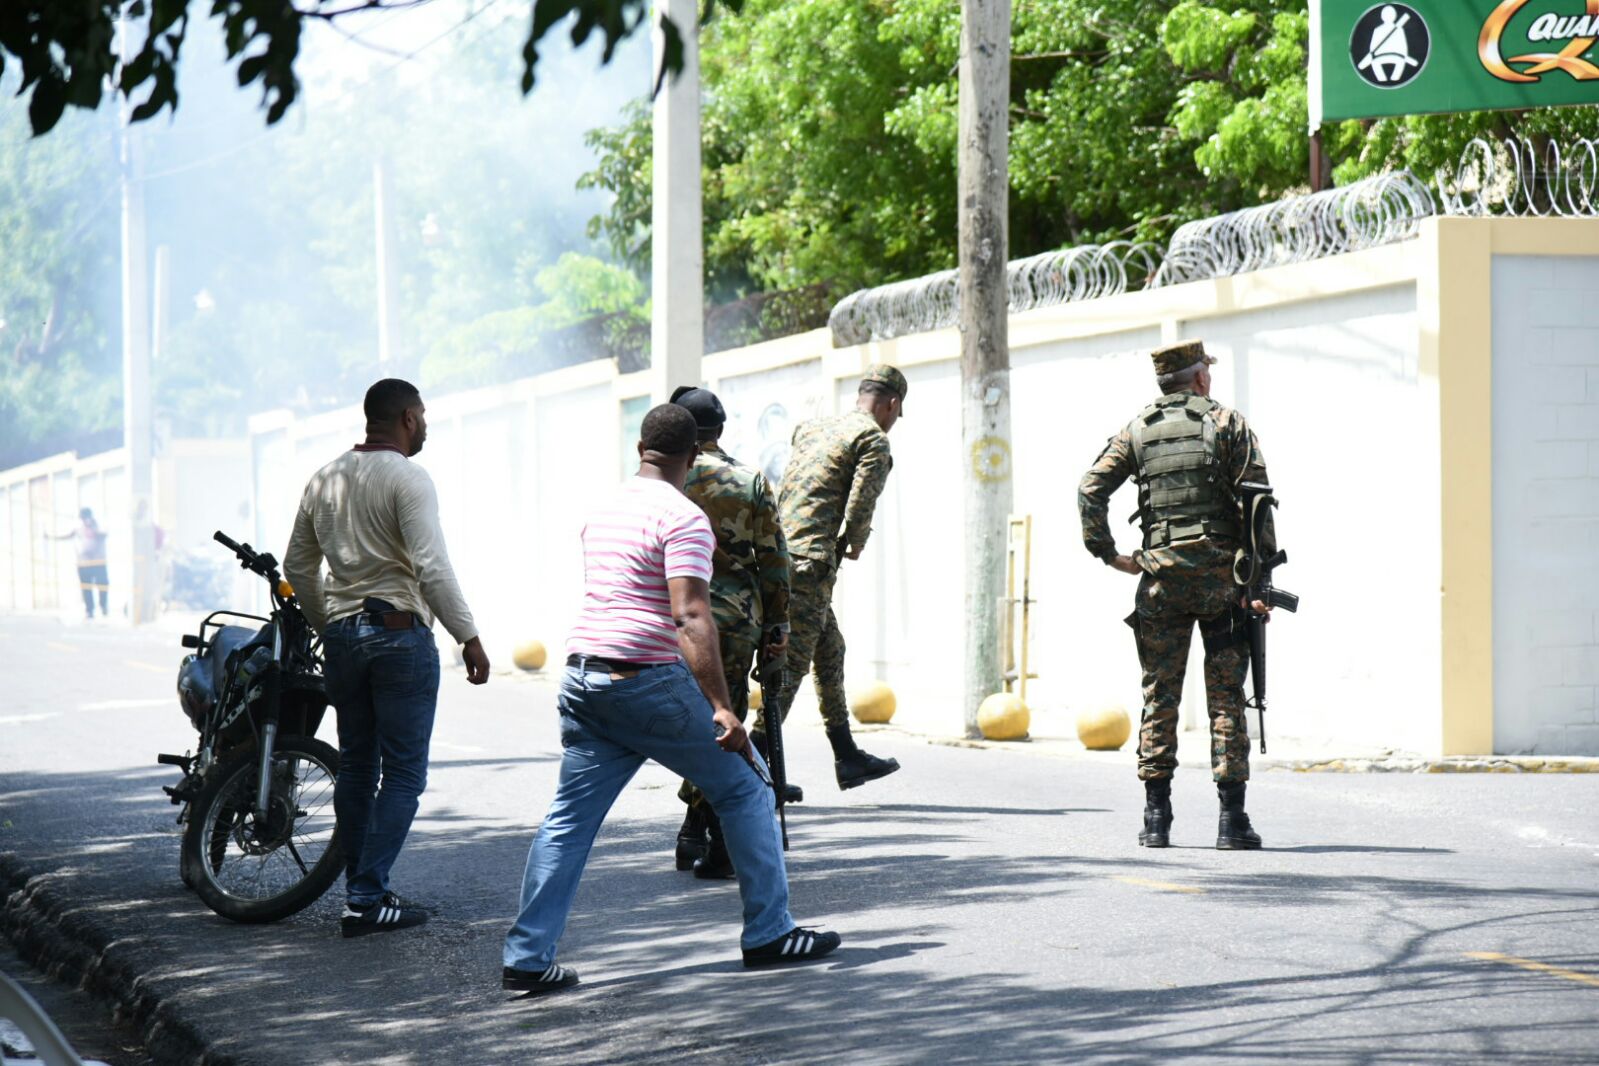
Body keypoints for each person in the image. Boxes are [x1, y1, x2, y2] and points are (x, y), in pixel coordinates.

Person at [501, 404, 839, 996]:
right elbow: (687, 614)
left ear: (640, 447)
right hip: (644, 680)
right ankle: (769, 932)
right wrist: (723, 706)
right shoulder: (684, 517)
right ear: (695, 456)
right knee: (747, 785)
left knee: (568, 821)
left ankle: (528, 956)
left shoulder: (603, 509)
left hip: (583, 679)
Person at [283, 378, 491, 937]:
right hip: (400, 638)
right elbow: (431, 565)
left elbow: (298, 568)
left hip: (346, 640)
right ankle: (367, 897)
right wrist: (467, 635)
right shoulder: (407, 477)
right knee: (401, 774)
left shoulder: (323, 478)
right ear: (405, 417)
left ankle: (361, 890)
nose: (425, 424)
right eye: (421, 415)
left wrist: (333, 626)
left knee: (356, 766)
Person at [1077, 340, 1275, 851]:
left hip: (1160, 582)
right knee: (1227, 698)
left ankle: (1156, 820)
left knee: (1158, 696)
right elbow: (1256, 504)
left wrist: (1109, 553)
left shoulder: (1137, 431)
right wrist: (1260, 584)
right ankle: (1232, 822)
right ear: (1200, 379)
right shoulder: (1228, 424)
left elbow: (1090, 488)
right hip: (1222, 584)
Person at [758, 365, 904, 791]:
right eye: (896, 413)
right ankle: (745, 770)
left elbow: (789, 487)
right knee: (788, 673)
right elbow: (861, 502)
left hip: (779, 556)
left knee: (830, 648)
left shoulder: (812, 427)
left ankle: (847, 756)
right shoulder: (873, 440)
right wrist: (855, 541)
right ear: (891, 405)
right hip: (809, 568)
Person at [667, 385, 792, 880]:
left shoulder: (666, 481)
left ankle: (694, 831)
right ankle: (711, 836)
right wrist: (777, 624)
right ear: (721, 430)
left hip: (673, 621)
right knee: (726, 723)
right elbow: (774, 561)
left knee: (689, 723)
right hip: (735, 623)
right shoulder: (749, 481)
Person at [51, 508, 109, 619]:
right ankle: (90, 610)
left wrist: (94, 529)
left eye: (86, 517)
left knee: (103, 585)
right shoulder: (79, 529)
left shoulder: (98, 527)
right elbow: (68, 536)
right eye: (83, 518)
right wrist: (51, 537)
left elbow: (104, 534)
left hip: (99, 562)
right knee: (86, 588)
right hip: (84, 563)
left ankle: (103, 605)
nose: (85, 520)